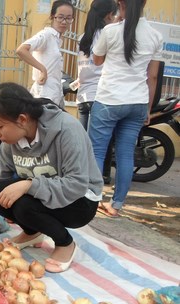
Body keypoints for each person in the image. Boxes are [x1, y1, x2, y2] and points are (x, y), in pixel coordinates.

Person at [0, 82, 103, 273]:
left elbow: (77, 184)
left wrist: (28, 185)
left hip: (80, 201)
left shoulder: (66, 130)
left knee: (23, 202)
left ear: (21, 119)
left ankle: (65, 243)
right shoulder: (10, 143)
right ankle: (32, 233)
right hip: (46, 197)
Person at [88, 0, 162, 218]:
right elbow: (153, 76)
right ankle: (116, 205)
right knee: (125, 154)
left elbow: (97, 60)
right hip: (137, 102)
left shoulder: (110, 31)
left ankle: (92, 201)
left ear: (120, 3)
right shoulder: (155, 36)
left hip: (109, 100)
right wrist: (148, 108)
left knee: (97, 152)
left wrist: (116, 25)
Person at [74, 0, 118, 184]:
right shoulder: (109, 36)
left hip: (83, 96)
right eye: (115, 14)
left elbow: (82, 69)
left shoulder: (83, 37)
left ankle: (81, 175)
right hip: (101, 95)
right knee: (102, 141)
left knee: (83, 141)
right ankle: (102, 176)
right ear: (108, 15)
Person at [16, 0, 75, 108]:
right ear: (52, 16)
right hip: (44, 95)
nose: (64, 22)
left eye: (68, 18)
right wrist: (42, 70)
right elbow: (21, 50)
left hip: (55, 94)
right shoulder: (46, 35)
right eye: (60, 17)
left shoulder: (57, 39)